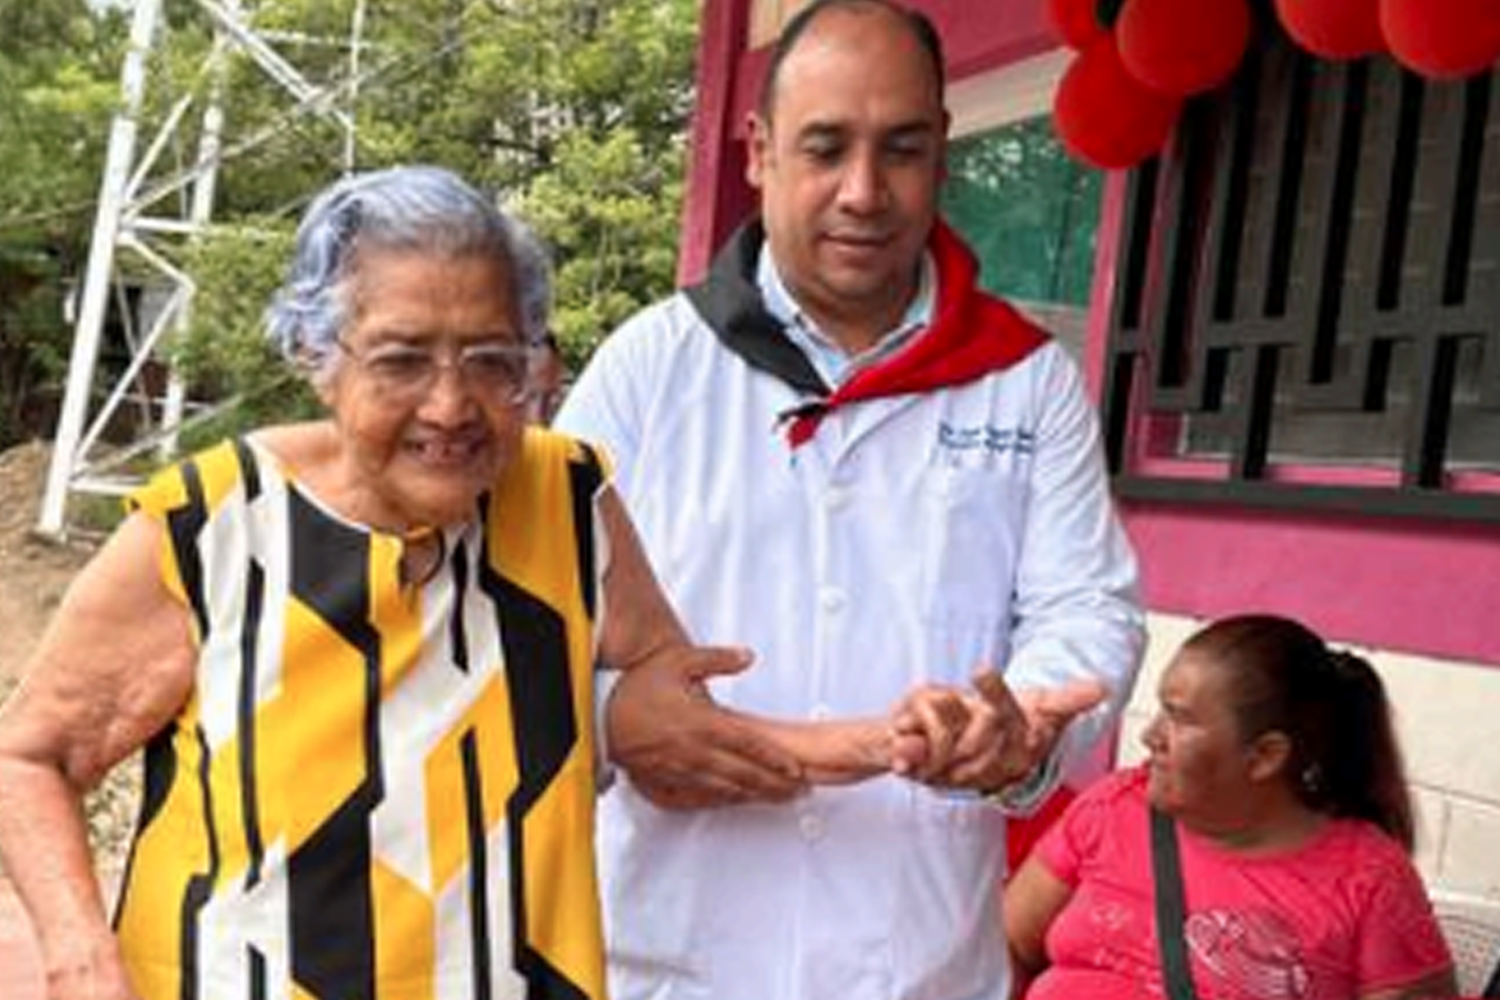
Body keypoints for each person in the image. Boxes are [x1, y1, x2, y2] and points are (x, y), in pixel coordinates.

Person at [0, 165, 932, 1000]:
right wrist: (79, 952)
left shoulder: (568, 499)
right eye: (402, 358)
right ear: (318, 358)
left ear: (535, 364)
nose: (450, 406)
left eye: (492, 360)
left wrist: (881, 740)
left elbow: (669, 719)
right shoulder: (211, 525)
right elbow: (28, 756)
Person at [553, 2, 1146, 998]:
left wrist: (1024, 724)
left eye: (901, 149)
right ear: (759, 152)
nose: (864, 192)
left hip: (911, 961)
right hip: (664, 960)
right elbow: (518, 611)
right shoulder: (650, 365)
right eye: (826, 147)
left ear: (943, 151)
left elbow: (1088, 612)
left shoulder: (1026, 381)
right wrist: (614, 715)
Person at [1005, 615, 1456, 1000]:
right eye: (1161, 710)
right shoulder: (1111, 808)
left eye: (1180, 718)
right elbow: (1007, 944)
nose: (1151, 737)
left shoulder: (1368, 878)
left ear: (1264, 756)